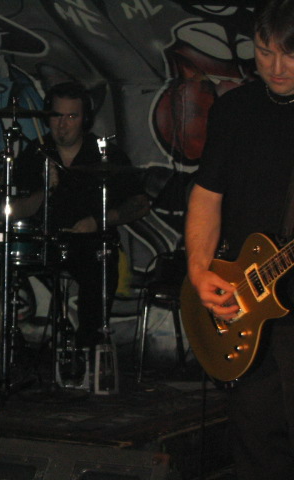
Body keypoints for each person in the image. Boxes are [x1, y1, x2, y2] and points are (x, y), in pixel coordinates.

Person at [184, 1, 294, 477]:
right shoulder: (236, 109)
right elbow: (207, 195)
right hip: (248, 300)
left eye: (290, 55)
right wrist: (198, 271)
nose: (276, 67)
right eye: (265, 52)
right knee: (256, 444)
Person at [12, 82, 150, 355]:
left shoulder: (105, 155)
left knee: (100, 263)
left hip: (89, 243)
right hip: (42, 241)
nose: (62, 125)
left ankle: (88, 348)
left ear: (84, 119)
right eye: (56, 116)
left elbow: (140, 204)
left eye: (72, 116)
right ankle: (11, 346)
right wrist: (45, 191)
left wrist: (99, 221)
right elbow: (14, 210)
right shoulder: (35, 153)